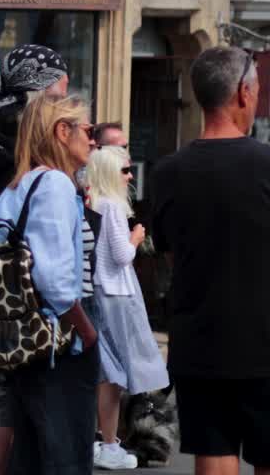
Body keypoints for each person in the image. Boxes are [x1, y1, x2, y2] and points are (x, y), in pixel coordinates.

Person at [151, 46, 270, 475]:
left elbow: (169, 251)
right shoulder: (265, 164)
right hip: (263, 337)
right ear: (243, 93)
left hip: (199, 337)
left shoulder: (168, 172)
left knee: (215, 453)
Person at [0, 43, 69, 475]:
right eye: (61, 95)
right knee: (38, 437)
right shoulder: (39, 152)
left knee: (2, 429)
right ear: (39, 93)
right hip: (33, 312)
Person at [0, 94, 100, 474]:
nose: (93, 138)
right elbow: (53, 277)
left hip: (22, 341)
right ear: (61, 131)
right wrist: (87, 332)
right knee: (64, 456)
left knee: (33, 456)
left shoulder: (17, 187)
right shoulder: (54, 184)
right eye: (88, 129)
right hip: (58, 343)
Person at [86, 145, 168, 471]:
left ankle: (106, 441)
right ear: (109, 173)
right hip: (117, 295)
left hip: (102, 293)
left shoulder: (97, 204)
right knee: (117, 374)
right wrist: (135, 237)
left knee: (108, 373)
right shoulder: (113, 208)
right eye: (124, 170)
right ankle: (109, 443)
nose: (131, 176)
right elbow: (122, 256)